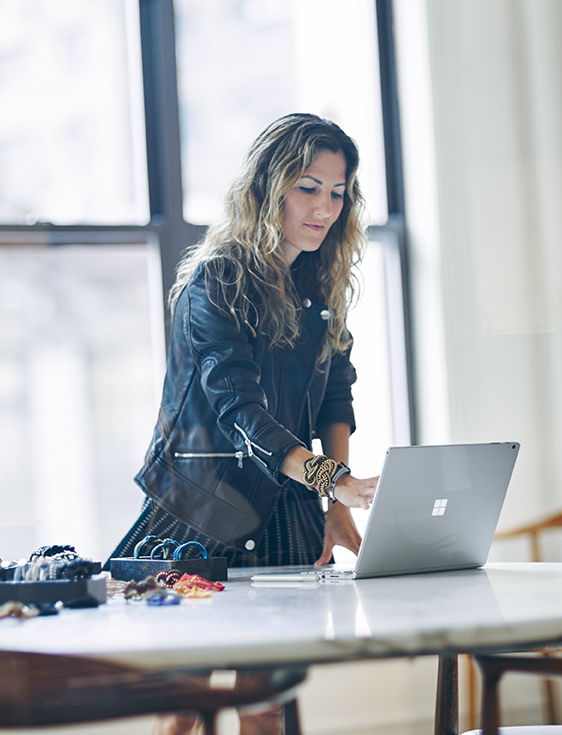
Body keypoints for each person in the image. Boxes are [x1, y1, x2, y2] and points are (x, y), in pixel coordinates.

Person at [108, 113, 379, 577]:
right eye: (308, 188)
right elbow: (240, 411)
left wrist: (338, 506)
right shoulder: (218, 282)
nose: (325, 209)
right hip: (201, 518)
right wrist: (335, 482)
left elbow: (336, 398)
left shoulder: (320, 287)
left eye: (337, 193)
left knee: (293, 650)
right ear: (268, 188)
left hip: (289, 513)